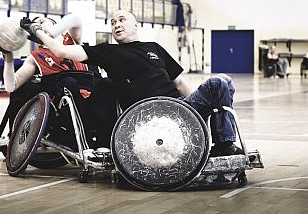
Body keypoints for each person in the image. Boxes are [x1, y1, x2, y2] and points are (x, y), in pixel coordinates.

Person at [30, 9, 242, 157]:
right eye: (113, 23)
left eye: (121, 20)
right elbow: (61, 51)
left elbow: (179, 82)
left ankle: (224, 145)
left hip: (179, 107)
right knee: (219, 83)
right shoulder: (107, 51)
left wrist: (199, 109)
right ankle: (222, 143)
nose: (117, 24)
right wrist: (37, 31)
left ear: (135, 25)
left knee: (222, 82)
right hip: (148, 113)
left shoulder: (154, 48)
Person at [0, 16, 116, 149]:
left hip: (89, 93)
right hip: (62, 99)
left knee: (107, 83)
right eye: (34, 25)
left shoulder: (72, 40)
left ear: (55, 25)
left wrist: (47, 32)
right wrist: (8, 58)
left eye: (41, 22)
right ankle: (84, 144)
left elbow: (75, 19)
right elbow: (11, 86)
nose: (36, 26)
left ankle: (106, 146)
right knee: (68, 83)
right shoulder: (36, 55)